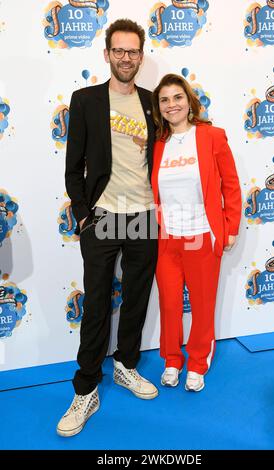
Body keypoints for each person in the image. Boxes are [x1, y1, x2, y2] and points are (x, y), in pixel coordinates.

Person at [57, 19, 158, 437]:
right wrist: (83, 213)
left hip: (143, 215)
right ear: (107, 54)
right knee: (97, 302)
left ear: (140, 56)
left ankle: (126, 366)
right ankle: (86, 389)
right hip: (101, 216)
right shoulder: (85, 100)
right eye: (119, 50)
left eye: (133, 51)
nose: (126, 57)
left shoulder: (153, 103)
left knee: (136, 297)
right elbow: (73, 166)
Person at [151, 74, 242, 392]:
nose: (171, 104)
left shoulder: (211, 136)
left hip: (202, 235)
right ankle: (172, 360)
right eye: (164, 99)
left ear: (189, 101)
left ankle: (199, 362)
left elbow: (230, 183)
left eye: (177, 97)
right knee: (170, 304)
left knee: (202, 304)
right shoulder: (158, 143)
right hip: (167, 238)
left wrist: (230, 227)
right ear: (158, 107)